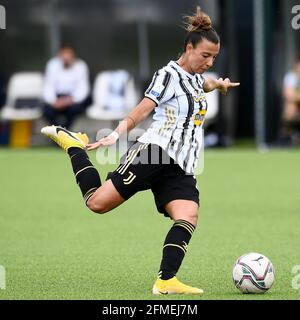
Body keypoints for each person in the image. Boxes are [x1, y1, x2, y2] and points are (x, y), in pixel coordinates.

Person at [41, 7, 239, 294]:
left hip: (182, 164)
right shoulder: (168, 75)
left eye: (214, 58)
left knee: (188, 214)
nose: (209, 62)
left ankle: (166, 280)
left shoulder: (197, 77)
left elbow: (200, 85)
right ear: (188, 48)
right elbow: (142, 110)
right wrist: (117, 133)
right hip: (154, 152)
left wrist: (216, 85)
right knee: (97, 203)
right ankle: (74, 146)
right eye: (205, 56)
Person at [43, 44, 91, 129]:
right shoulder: (52, 65)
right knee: (47, 111)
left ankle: (65, 134)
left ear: (73, 55)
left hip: (73, 100)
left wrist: (70, 100)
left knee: (74, 110)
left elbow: (83, 89)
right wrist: (53, 101)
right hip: (56, 99)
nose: (66, 57)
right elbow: (48, 86)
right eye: (63, 54)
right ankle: (58, 134)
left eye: (68, 54)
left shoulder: (80, 66)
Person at [280, 55, 300, 145]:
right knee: (290, 107)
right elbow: (289, 95)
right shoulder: (291, 77)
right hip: (296, 106)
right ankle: (285, 136)